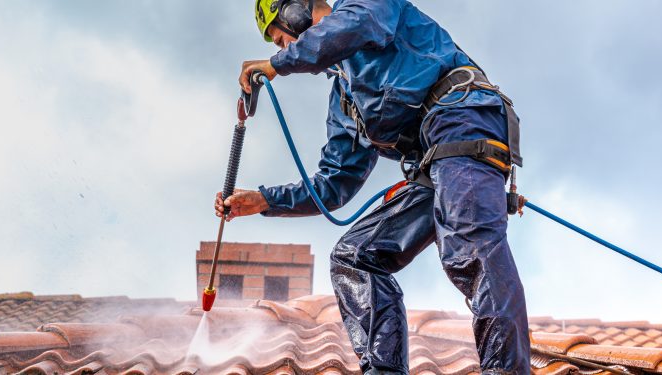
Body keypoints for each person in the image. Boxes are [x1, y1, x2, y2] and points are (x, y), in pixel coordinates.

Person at [214, 0, 530, 373]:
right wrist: (265, 200)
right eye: (278, 48)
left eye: (281, 40)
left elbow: (354, 26)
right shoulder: (346, 100)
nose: (281, 50)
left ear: (296, 11)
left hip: (464, 122)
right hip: (433, 163)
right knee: (354, 256)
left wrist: (280, 66)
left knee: (469, 247)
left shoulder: (364, 7)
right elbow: (333, 184)